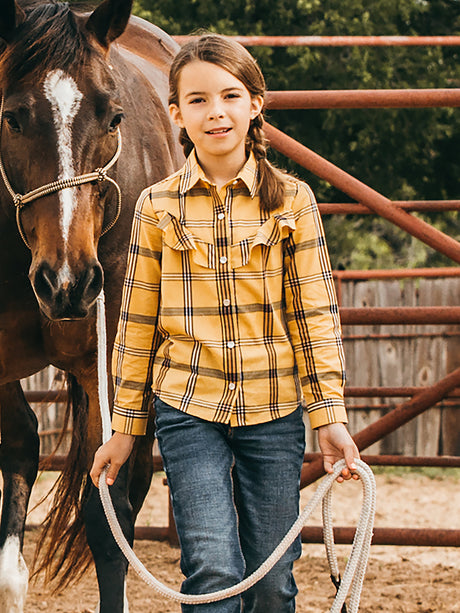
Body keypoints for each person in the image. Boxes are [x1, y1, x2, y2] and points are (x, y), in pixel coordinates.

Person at [90, 33, 360, 613]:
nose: (216, 112)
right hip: (189, 410)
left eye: (231, 96)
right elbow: (137, 323)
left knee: (271, 577)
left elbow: (314, 314)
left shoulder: (292, 201)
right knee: (210, 568)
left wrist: (329, 417)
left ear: (255, 104)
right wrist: (125, 427)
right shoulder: (157, 207)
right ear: (176, 114)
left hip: (275, 409)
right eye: (198, 100)